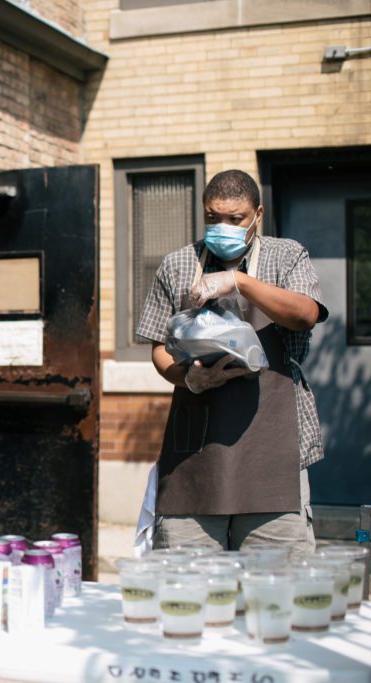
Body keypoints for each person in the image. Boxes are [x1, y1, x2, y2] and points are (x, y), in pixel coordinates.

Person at [136, 169, 327, 559]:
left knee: (276, 598)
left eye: (234, 219)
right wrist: (188, 377)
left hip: (274, 454)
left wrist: (237, 283)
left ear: (257, 214)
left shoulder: (286, 256)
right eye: (212, 217)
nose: (222, 226)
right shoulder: (177, 265)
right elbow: (158, 348)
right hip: (195, 453)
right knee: (187, 594)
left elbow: (306, 313)